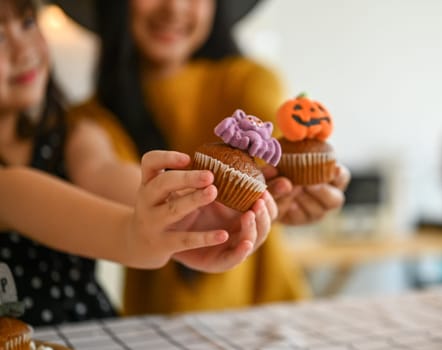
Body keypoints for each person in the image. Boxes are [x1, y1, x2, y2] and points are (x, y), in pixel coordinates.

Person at [0, 0, 276, 326]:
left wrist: (184, 209)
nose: (23, 50)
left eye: (28, 23)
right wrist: (134, 237)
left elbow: (104, 172)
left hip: (93, 330)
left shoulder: (76, 131)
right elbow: (13, 193)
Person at [67, 0, 350, 314]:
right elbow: (104, 174)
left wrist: (301, 182)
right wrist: (184, 206)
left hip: (272, 313)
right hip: (160, 325)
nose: (174, 8)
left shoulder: (248, 80)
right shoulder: (88, 120)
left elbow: (276, 140)